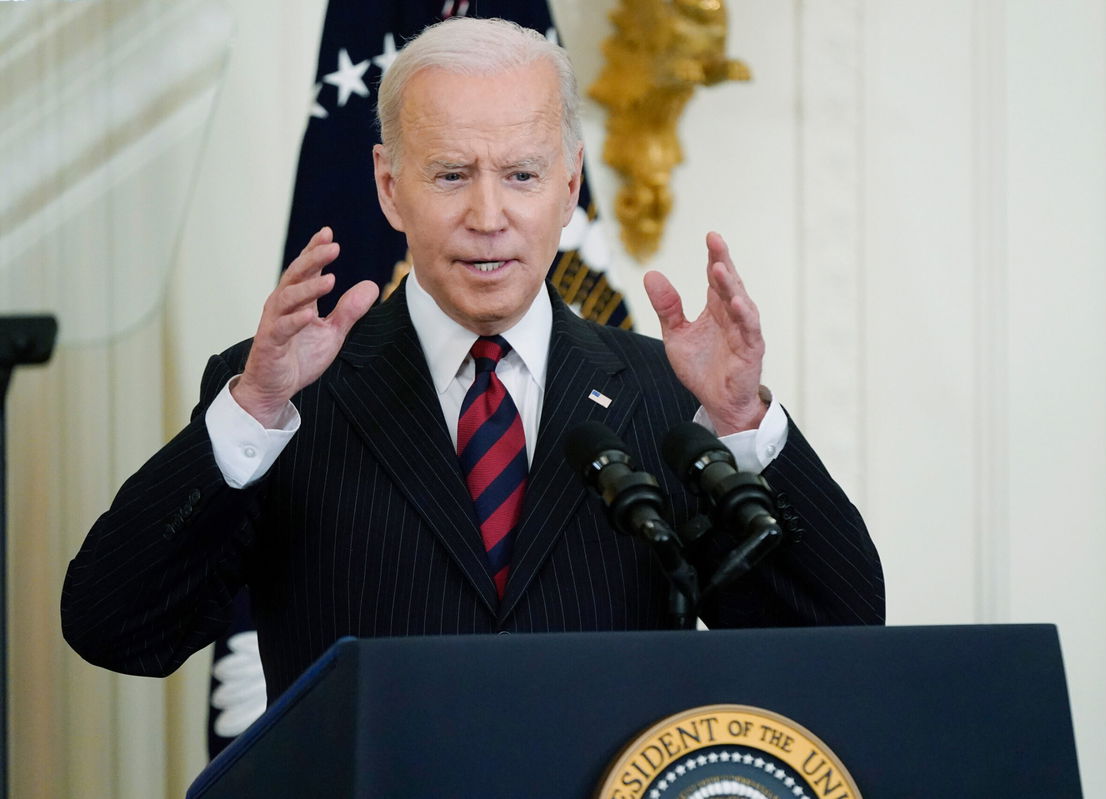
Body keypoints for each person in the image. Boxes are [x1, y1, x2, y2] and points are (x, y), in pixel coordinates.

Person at [62, 17, 883, 703]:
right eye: (451, 174)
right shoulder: (284, 397)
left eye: (521, 174)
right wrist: (250, 415)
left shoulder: (672, 399)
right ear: (389, 187)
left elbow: (842, 639)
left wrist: (744, 426)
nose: (488, 215)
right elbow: (115, 625)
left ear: (569, 186)